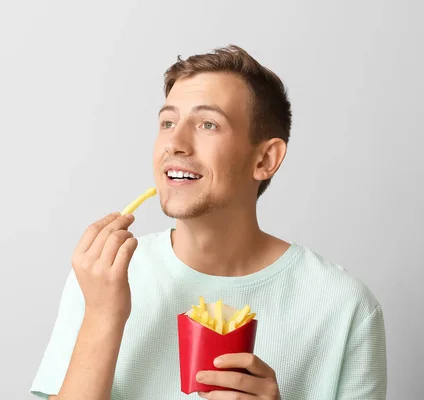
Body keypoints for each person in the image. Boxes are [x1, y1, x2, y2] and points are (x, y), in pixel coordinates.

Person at [29, 45, 387, 399]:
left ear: (265, 159)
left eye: (208, 124)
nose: (175, 143)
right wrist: (103, 316)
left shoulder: (344, 307)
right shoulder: (103, 276)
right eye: (167, 122)